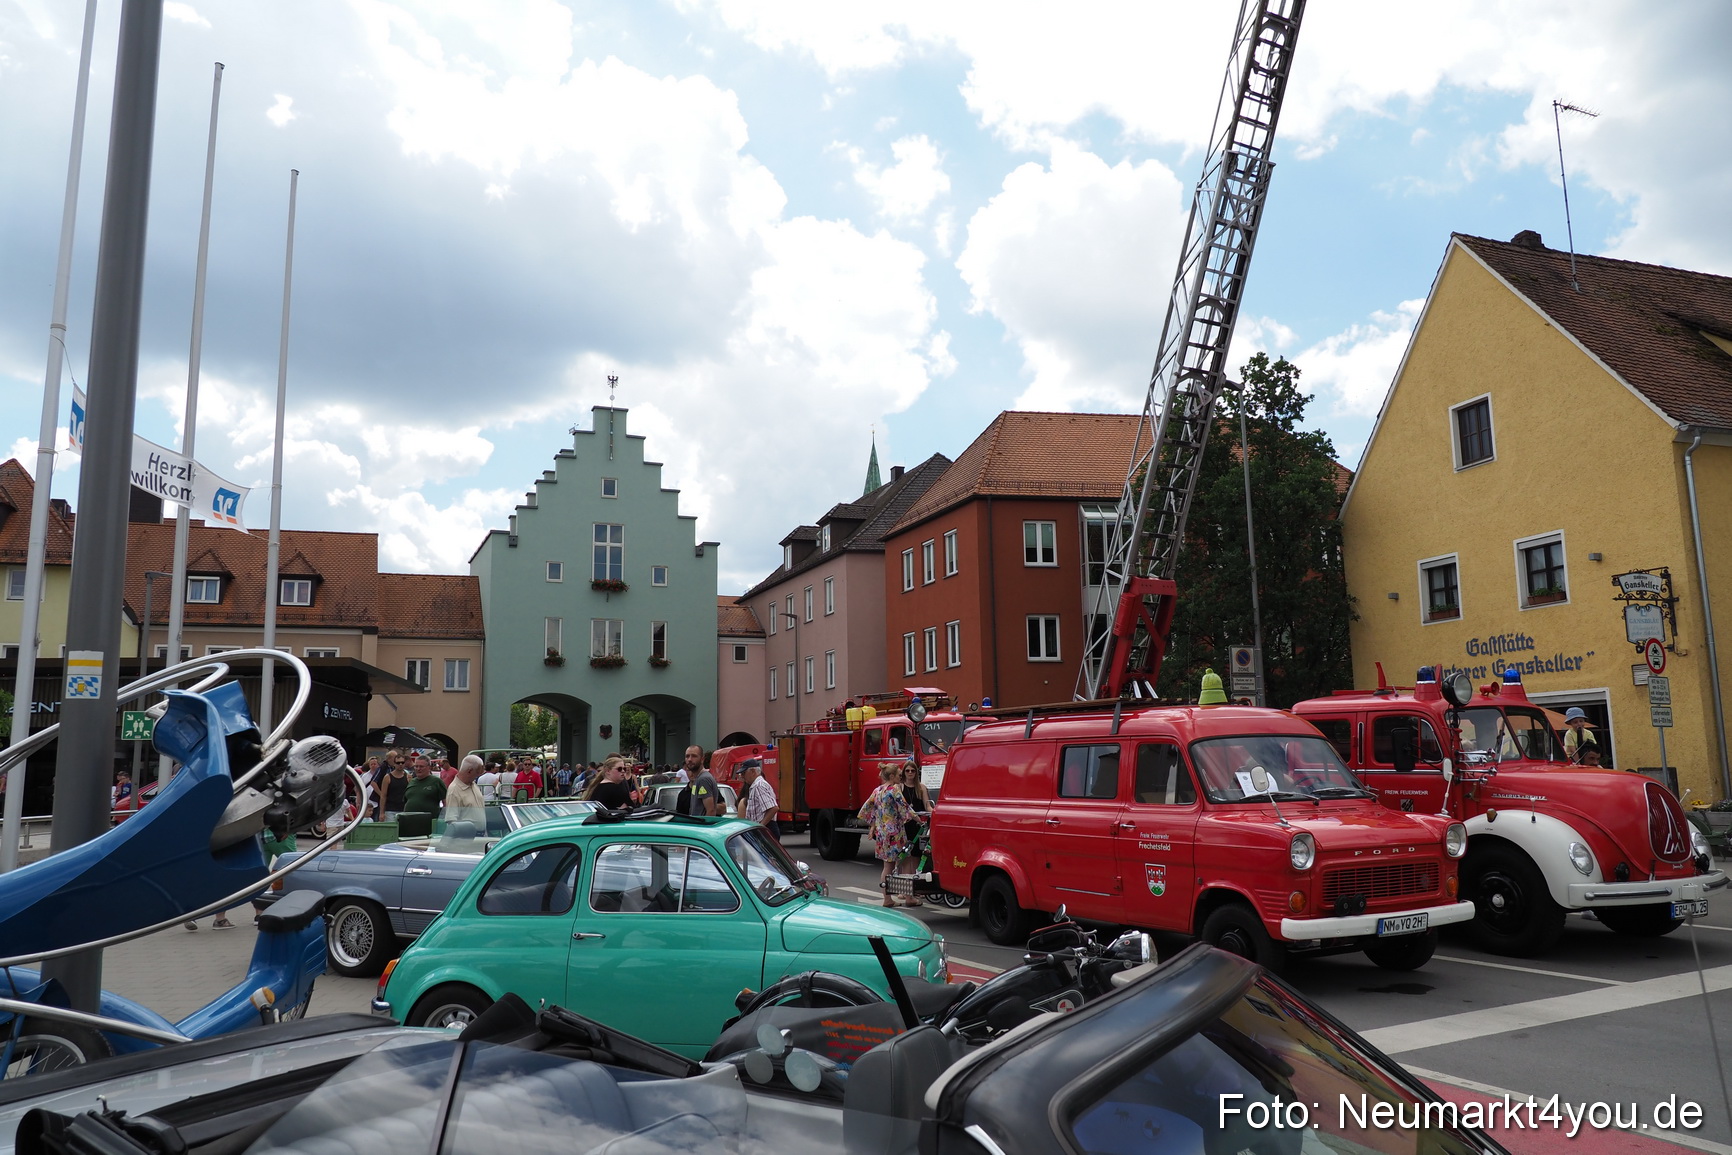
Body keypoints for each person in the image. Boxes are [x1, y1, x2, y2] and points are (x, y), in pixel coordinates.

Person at [860, 763, 919, 906]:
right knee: (905, 862)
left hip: (882, 834)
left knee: (887, 867)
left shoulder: (877, 790)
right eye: (899, 775)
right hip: (896, 833)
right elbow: (905, 808)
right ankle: (909, 897)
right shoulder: (894, 790)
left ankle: (887, 899)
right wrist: (918, 819)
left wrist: (874, 825)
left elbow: (866, 809)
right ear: (892, 776)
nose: (901, 777)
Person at [444, 755, 488, 830]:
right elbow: (452, 821)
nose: (478, 776)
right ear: (469, 771)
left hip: (480, 835)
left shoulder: (473, 784)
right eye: (477, 773)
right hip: (466, 837)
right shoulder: (454, 790)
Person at [400, 754, 446, 821]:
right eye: (416, 766)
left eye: (421, 766)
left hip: (428, 822)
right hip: (409, 822)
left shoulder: (436, 781)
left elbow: (446, 802)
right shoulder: (411, 782)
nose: (418, 769)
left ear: (429, 767)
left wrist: (443, 819)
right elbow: (407, 802)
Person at [742, 762, 780, 839]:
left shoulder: (758, 786)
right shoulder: (758, 785)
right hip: (765, 828)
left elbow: (773, 808)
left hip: (766, 829)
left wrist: (760, 826)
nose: (742, 776)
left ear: (753, 771)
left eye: (743, 773)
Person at [679, 745, 719, 816]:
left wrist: (704, 827)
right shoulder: (698, 779)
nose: (690, 759)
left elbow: (711, 811)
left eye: (694, 756)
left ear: (702, 759)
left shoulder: (703, 779)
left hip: (701, 826)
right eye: (687, 756)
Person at [374, 754, 410, 820]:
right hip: (390, 809)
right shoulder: (388, 777)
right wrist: (382, 812)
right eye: (398, 763)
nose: (400, 764)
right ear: (394, 764)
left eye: (402, 762)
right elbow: (383, 795)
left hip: (404, 809)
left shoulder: (408, 776)